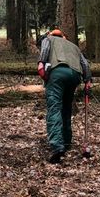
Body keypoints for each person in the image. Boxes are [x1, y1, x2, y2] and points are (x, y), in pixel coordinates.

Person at [37, 29, 92, 163]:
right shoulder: (74, 46)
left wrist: (41, 67)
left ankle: (57, 146)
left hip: (57, 73)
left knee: (55, 108)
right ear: (63, 36)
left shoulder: (48, 40)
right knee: (66, 108)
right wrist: (87, 81)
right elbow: (85, 65)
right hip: (75, 76)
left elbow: (43, 55)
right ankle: (66, 142)